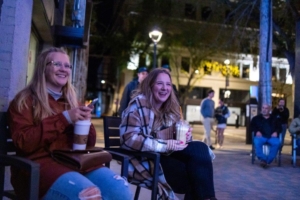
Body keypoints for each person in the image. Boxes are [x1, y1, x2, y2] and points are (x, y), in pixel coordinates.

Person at [7, 47, 132, 200]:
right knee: (89, 196)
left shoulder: (72, 101)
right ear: (43, 68)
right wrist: (64, 118)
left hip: (74, 163)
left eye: (67, 65)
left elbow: (88, 144)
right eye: (57, 64)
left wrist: (86, 124)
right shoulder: (24, 101)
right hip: (38, 166)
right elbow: (23, 142)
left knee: (120, 190)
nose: (63, 69)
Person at [120, 68, 217, 200]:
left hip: (166, 156)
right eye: (159, 83)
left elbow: (174, 138)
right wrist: (164, 145)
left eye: (168, 84)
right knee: (195, 174)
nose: (165, 88)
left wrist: (185, 137)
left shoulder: (170, 108)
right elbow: (129, 139)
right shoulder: (138, 105)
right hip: (146, 159)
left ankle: (208, 198)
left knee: (200, 149)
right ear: (150, 85)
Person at [251, 104, 281, 168]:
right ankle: (263, 159)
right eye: (263, 108)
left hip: (272, 137)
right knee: (257, 142)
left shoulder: (275, 119)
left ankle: (267, 161)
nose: (264, 110)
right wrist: (256, 131)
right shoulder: (256, 118)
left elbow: (280, 128)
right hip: (261, 137)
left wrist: (276, 132)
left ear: (269, 110)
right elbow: (251, 127)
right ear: (261, 109)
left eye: (266, 108)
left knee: (277, 143)